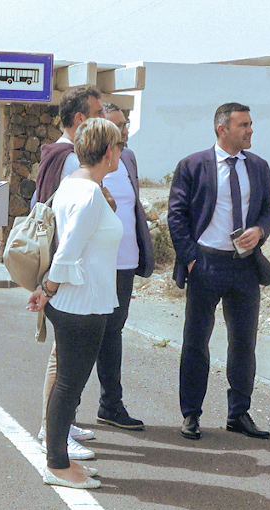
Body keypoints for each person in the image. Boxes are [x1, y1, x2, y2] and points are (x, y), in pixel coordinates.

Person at [167, 102, 270, 441]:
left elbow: (269, 207)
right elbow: (176, 215)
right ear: (222, 129)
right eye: (243, 125)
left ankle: (238, 413)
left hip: (244, 265)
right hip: (205, 264)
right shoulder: (192, 165)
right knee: (196, 342)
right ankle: (191, 414)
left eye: (250, 124)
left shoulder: (258, 166)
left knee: (243, 343)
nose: (250, 130)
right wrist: (191, 260)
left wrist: (260, 230)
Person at [27, 117, 124, 489]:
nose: (121, 151)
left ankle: (59, 461)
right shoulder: (89, 194)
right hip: (80, 304)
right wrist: (47, 291)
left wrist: (48, 291)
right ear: (108, 151)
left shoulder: (74, 184)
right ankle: (57, 465)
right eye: (119, 145)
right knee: (69, 387)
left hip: (81, 300)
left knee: (68, 385)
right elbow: (67, 252)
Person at [33, 86, 106, 460]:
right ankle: (53, 429)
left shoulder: (53, 154)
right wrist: (51, 285)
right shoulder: (70, 161)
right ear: (81, 119)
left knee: (62, 356)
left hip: (59, 270)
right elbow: (72, 227)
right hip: (68, 274)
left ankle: (60, 423)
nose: (104, 118)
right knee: (63, 361)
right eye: (98, 113)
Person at [93, 103, 155, 431]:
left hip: (125, 262)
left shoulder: (128, 158)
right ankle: (65, 414)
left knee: (113, 332)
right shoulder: (82, 161)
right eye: (118, 125)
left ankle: (110, 404)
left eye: (126, 123)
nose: (125, 130)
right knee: (87, 334)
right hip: (94, 263)